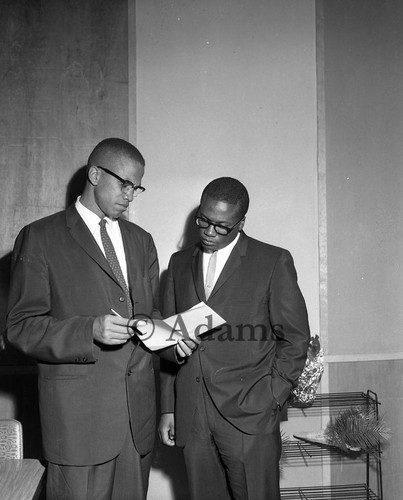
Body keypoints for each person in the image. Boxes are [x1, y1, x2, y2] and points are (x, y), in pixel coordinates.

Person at [6, 138, 195, 500]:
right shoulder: (41, 237)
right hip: (78, 424)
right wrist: (88, 329)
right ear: (94, 174)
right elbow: (20, 326)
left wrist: (173, 339)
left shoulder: (142, 241)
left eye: (136, 187)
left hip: (135, 421)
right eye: (124, 183)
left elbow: (147, 315)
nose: (130, 195)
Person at [159, 177, 311, 500]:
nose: (209, 232)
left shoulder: (272, 262)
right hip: (194, 416)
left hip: (250, 417)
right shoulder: (178, 264)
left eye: (221, 226)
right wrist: (169, 408)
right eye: (203, 221)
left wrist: (271, 396)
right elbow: (169, 338)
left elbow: (296, 339)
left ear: (241, 223)